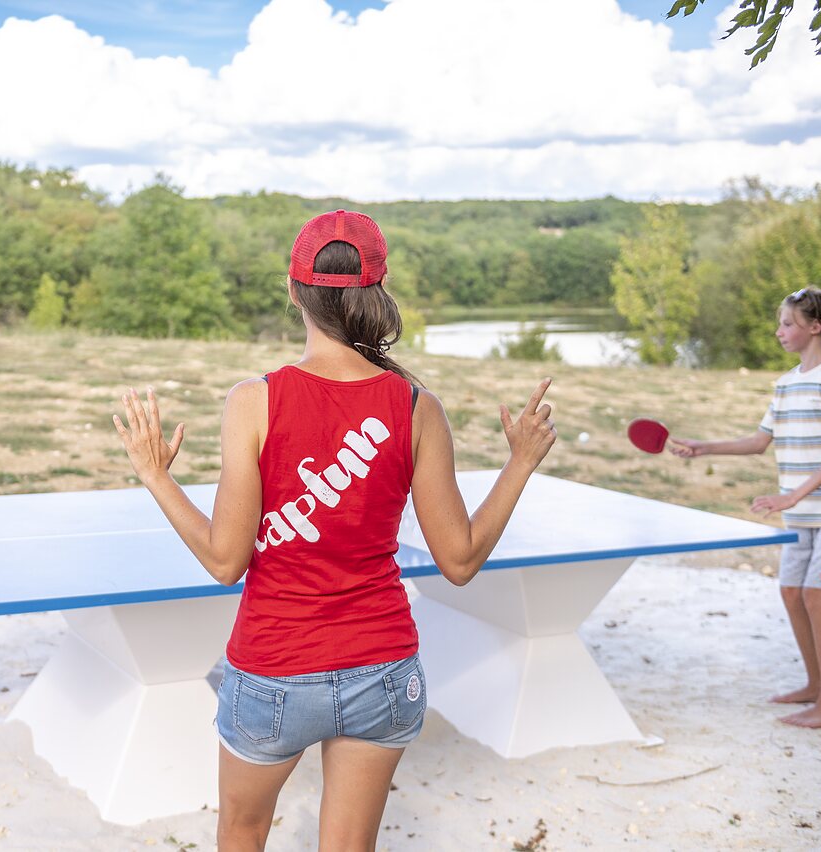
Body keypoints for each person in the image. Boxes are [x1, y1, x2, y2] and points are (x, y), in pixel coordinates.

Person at [114, 210, 558, 851]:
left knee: (242, 832)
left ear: (293, 290)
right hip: (383, 669)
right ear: (377, 290)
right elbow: (459, 561)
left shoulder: (255, 402)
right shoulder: (416, 407)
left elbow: (223, 561)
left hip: (275, 669)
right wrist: (519, 464)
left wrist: (157, 476)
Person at [670, 287, 821, 729]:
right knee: (791, 592)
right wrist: (704, 448)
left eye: (787, 323)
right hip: (801, 512)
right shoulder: (785, 384)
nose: (779, 331)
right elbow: (760, 442)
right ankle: (815, 687)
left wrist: (790, 496)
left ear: (815, 327)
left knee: (817, 596)